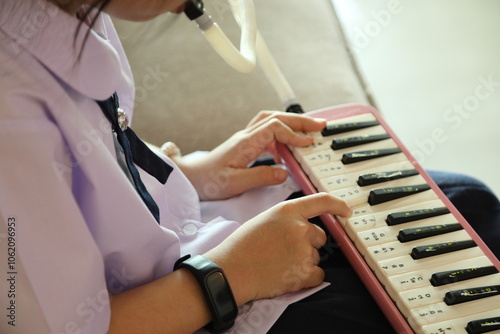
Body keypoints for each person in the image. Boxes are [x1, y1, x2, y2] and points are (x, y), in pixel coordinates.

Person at [0, 0, 498, 333]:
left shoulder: (65, 14)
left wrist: (195, 172)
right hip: (183, 303)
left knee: (467, 200)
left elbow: (89, 162)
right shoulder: (11, 113)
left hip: (186, 243)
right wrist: (234, 273)